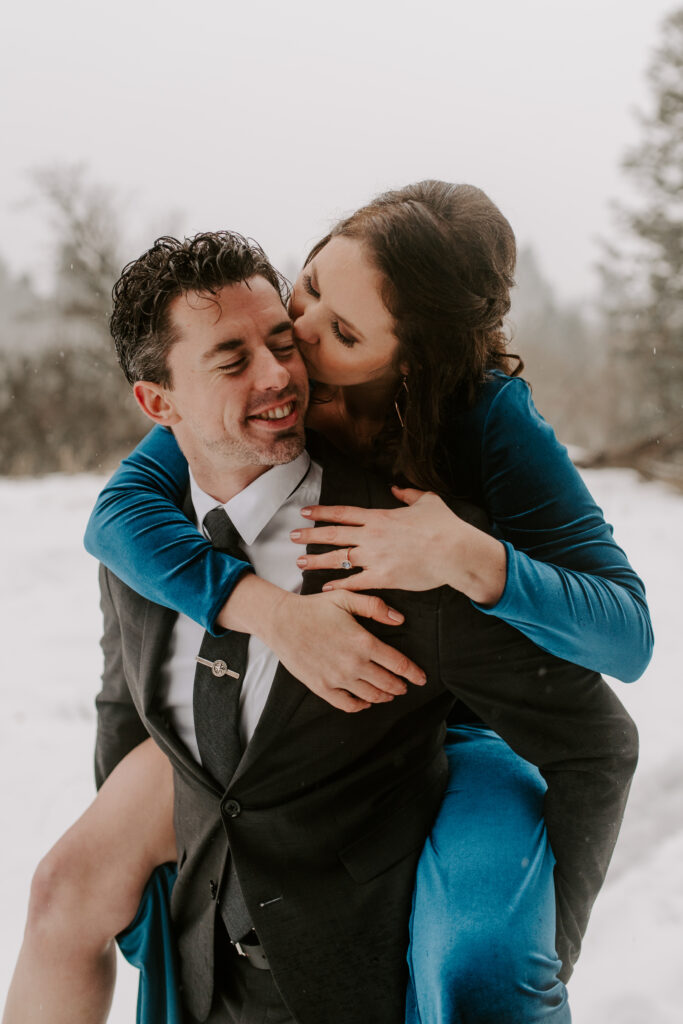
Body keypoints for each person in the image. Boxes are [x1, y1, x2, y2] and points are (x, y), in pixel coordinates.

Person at [2, 205, 642, 1023]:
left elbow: (610, 684)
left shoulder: (452, 460)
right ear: (159, 404)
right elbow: (125, 686)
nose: (291, 355)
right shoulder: (162, 512)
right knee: (62, 890)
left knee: (479, 954)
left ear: (406, 361)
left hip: (430, 761)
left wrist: (469, 558)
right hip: (216, 928)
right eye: (301, 297)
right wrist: (266, 611)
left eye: (329, 333)